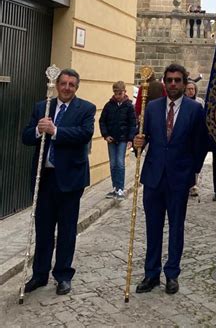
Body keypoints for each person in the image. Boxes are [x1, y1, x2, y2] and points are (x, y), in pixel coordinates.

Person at [133, 64, 208, 295]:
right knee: (152, 227)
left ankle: (172, 274)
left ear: (185, 83)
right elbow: (142, 139)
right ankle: (151, 273)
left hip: (179, 178)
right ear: (164, 83)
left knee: (176, 228)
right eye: (169, 80)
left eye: (177, 80)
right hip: (153, 177)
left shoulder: (195, 110)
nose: (173, 84)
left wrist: (191, 172)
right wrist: (137, 144)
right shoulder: (152, 107)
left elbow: (201, 144)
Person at [21, 68, 95, 296]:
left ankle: (63, 275)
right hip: (44, 179)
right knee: (43, 229)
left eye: (72, 84)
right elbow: (25, 137)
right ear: (58, 84)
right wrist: (37, 129)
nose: (66, 88)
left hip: (71, 180)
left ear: (76, 87)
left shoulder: (86, 108)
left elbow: (84, 134)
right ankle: (39, 274)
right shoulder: (42, 107)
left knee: (66, 229)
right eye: (64, 83)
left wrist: (55, 131)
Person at [99, 81, 136, 200]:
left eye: (120, 93)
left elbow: (132, 124)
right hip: (111, 139)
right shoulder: (109, 105)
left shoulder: (129, 106)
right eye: (116, 93)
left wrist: (130, 138)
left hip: (123, 139)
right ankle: (114, 187)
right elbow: (102, 121)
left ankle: (120, 188)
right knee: (113, 164)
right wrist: (105, 135)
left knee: (120, 163)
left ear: (124, 92)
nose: (118, 96)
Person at [184, 80, 205, 197]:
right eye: (189, 89)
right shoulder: (182, 103)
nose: (191, 91)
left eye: (192, 89)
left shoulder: (199, 102)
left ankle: (193, 185)